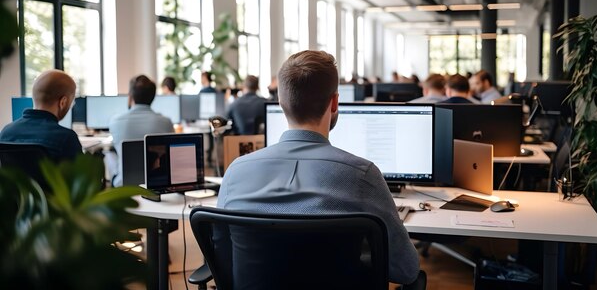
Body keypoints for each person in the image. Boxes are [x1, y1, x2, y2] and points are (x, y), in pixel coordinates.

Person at [218, 50, 419, 285]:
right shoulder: (363, 176)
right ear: (334, 102)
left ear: (281, 102)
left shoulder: (235, 172)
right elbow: (405, 270)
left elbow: (222, 259)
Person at [0, 69, 81, 161]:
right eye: (72, 102)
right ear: (63, 102)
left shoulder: (5, 133)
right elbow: (82, 175)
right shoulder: (67, 139)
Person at [107, 75, 174, 187]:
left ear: (130, 96)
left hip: (124, 185)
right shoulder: (166, 122)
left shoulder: (115, 121)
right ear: (153, 97)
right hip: (157, 182)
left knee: (108, 153)